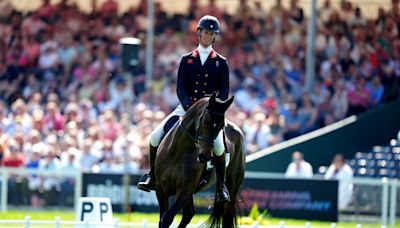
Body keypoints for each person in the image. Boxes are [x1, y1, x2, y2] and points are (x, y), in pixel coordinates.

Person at [137, 15, 231, 203]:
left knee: (220, 148)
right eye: (206, 32)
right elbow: (180, 87)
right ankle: (152, 176)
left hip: (210, 113)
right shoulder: (186, 59)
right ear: (199, 33)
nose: (208, 36)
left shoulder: (221, 62)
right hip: (187, 108)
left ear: (214, 37)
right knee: (155, 136)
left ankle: (221, 187)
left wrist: (213, 108)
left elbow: (224, 91)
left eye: (212, 34)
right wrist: (189, 107)